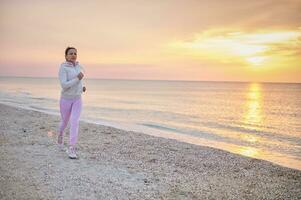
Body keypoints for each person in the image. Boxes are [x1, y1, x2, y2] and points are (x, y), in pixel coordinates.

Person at [58, 47, 86, 159]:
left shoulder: (78, 66)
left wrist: (82, 87)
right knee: (65, 122)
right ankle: (60, 134)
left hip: (77, 99)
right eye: (70, 53)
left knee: (74, 122)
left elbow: (80, 80)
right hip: (66, 99)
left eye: (75, 53)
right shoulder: (63, 67)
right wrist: (77, 80)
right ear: (66, 56)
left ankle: (71, 148)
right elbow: (64, 85)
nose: (73, 55)